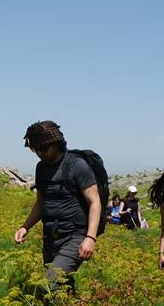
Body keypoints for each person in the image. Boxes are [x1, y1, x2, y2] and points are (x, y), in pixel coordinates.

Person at [14, 120, 100, 293]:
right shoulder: (41, 168)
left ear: (57, 144)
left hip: (75, 236)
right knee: (62, 287)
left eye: (44, 149)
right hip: (51, 236)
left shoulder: (77, 165)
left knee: (50, 283)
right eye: (36, 149)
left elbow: (95, 202)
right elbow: (40, 202)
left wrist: (90, 238)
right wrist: (25, 227)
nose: (40, 153)